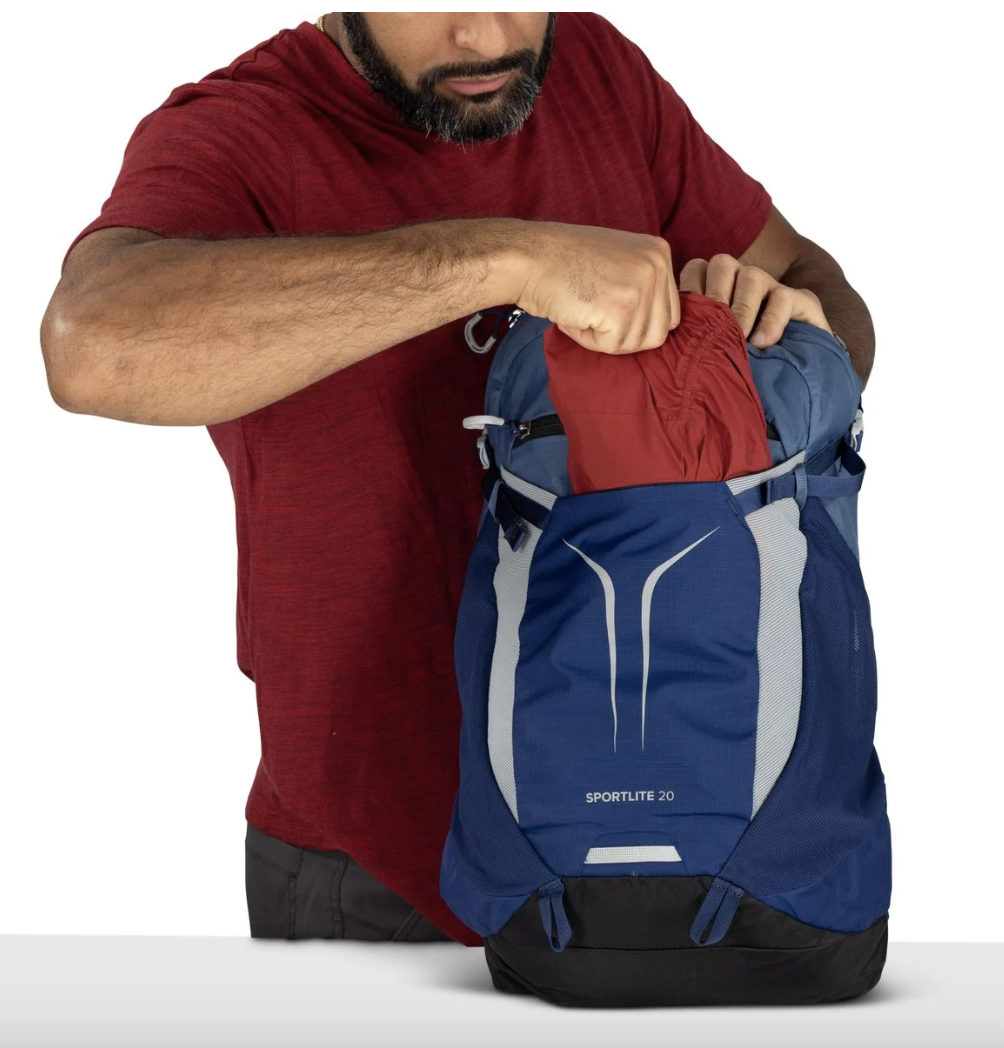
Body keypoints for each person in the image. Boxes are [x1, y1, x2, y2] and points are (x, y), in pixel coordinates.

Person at [39, 12, 875, 946]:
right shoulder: (246, 130)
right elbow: (89, 344)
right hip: (379, 867)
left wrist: (797, 339)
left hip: (682, 826)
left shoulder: (599, 75)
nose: (483, 36)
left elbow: (808, 277)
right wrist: (513, 258)